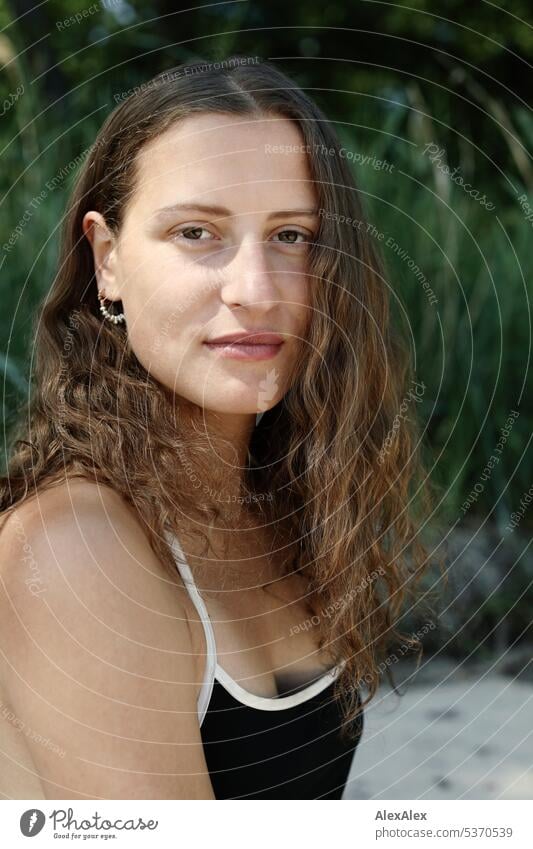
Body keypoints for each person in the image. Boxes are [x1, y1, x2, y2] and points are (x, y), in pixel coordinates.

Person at [0, 56, 433, 799]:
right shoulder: (75, 546)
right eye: (197, 231)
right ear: (106, 259)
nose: (255, 290)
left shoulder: (282, 501)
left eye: (291, 235)